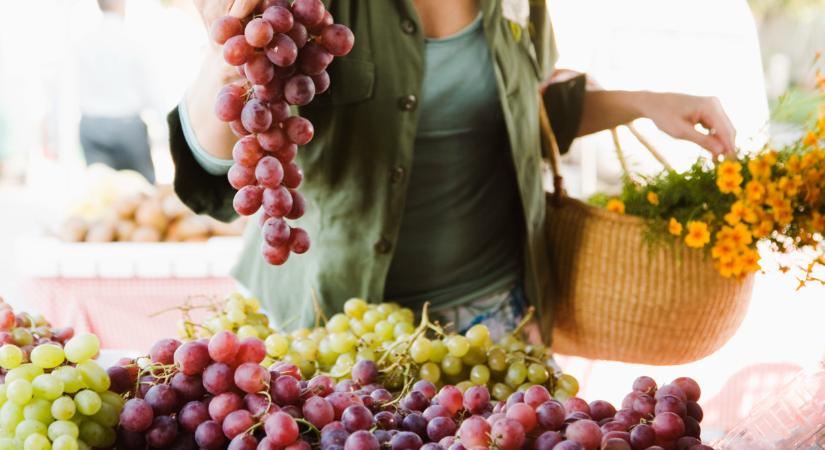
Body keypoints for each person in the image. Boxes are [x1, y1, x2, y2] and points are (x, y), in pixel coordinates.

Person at [169, 0, 736, 338]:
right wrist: (231, 47)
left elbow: (522, 111)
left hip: (494, 316)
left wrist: (644, 102)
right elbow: (218, 161)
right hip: (331, 327)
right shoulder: (314, 6)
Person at [75, 0, 156, 183]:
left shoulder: (84, 41)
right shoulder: (134, 40)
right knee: (143, 192)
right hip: (128, 126)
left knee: (101, 193)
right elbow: (151, 88)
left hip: (91, 124)